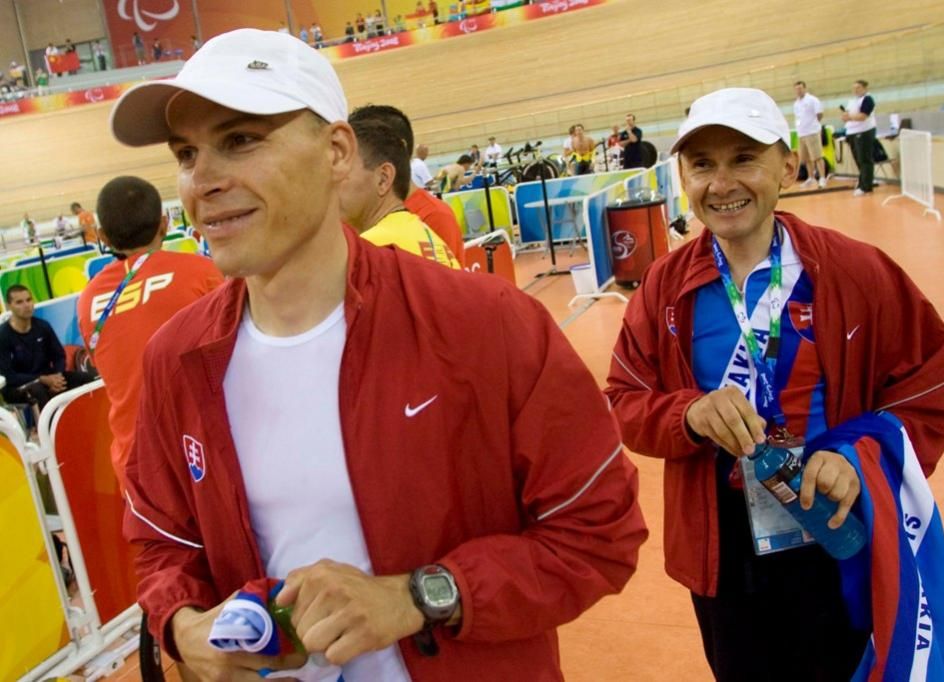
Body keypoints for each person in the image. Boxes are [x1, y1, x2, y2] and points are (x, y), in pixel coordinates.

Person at [108, 29, 645, 680]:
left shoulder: (485, 324)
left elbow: (598, 531)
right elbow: (162, 543)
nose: (204, 180)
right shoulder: (178, 359)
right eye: (187, 153)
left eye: (240, 140)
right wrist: (182, 624)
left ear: (337, 151)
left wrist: (420, 596)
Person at [606, 88, 944, 681]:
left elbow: (924, 389)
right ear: (682, 178)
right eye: (702, 165)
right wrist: (688, 416)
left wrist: (857, 455)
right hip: (723, 544)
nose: (722, 184)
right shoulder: (663, 287)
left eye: (744, 158)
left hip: (837, 525)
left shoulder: (856, 270)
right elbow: (622, 400)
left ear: (787, 167)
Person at [76, 177, 223, 490]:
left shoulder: (87, 300)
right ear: (165, 224)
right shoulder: (203, 272)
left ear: (102, 237)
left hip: (137, 468)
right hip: (206, 456)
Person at [339, 112, 460, 269]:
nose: (329, 184)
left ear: (383, 178)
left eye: (344, 173)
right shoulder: (424, 234)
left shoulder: (373, 247)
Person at [0, 285, 94, 409]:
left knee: (86, 378)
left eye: (29, 300)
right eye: (19, 302)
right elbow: (8, 376)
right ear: (9, 306)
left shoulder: (43, 326)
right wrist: (42, 379)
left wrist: (58, 376)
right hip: (19, 385)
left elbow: (59, 356)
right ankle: (46, 427)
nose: (26, 305)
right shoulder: (3, 335)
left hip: (49, 377)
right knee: (37, 390)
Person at [842, 79, 878, 196]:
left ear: (865, 88)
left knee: (865, 159)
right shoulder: (853, 101)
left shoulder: (867, 99)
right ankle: (862, 181)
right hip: (852, 132)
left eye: (858, 88)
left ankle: (866, 186)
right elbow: (847, 115)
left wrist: (850, 117)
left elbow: (863, 116)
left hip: (864, 132)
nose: (856, 90)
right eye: (854, 88)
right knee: (858, 159)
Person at [793, 80, 827, 188]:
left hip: (812, 132)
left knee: (817, 156)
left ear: (804, 88)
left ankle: (822, 178)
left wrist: (813, 125)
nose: (798, 91)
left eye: (800, 88)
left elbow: (820, 114)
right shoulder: (796, 103)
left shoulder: (812, 100)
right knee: (806, 158)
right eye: (796, 89)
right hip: (801, 133)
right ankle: (811, 178)